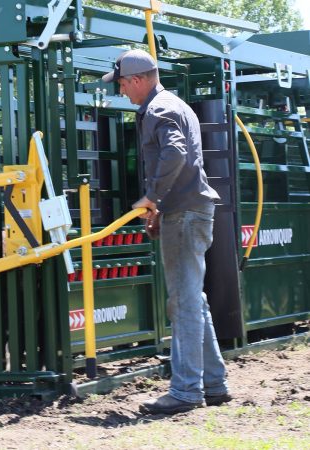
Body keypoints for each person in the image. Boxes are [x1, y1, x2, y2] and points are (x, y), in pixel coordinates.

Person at [102, 49, 232, 415]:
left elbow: (174, 154)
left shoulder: (159, 110)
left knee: (184, 303)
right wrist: (159, 204)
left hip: (184, 214)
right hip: (190, 211)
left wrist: (152, 197)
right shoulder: (174, 105)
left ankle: (187, 391)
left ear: (139, 79)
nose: (123, 91)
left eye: (124, 84)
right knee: (193, 299)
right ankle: (213, 383)